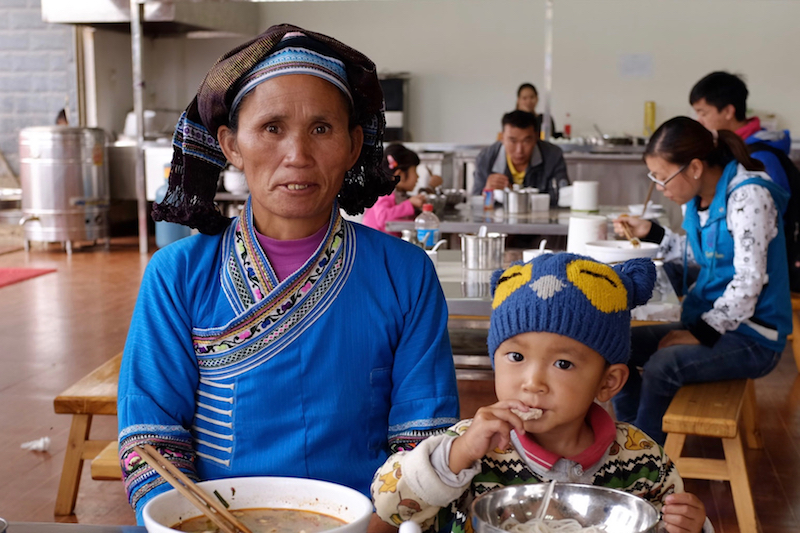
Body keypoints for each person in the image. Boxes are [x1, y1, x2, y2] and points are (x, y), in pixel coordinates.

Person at [118, 24, 460, 524]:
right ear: (231, 145)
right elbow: (151, 440)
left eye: (321, 128)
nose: (297, 155)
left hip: (364, 523)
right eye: (272, 127)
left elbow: (422, 441)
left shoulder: (405, 275)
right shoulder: (177, 276)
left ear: (352, 144)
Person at [372, 253, 711, 533]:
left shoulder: (642, 461)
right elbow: (389, 508)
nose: (532, 382)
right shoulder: (471, 449)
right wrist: (455, 456)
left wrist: (692, 527)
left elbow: (666, 522)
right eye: (516, 357)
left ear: (608, 383)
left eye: (563, 364)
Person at [611, 117, 791, 445]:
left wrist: (697, 334)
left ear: (694, 167)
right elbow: (699, 255)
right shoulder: (698, 200)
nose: (660, 187)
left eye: (663, 178)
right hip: (713, 322)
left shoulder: (749, 196)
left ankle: (646, 462)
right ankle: (632, 441)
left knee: (661, 366)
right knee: (617, 347)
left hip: (754, 336)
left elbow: (748, 281)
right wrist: (650, 232)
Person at [690, 71, 791, 195]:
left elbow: (777, 207)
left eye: (703, 113)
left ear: (728, 111)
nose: (699, 120)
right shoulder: (725, 148)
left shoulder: (761, 156)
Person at [473, 110, 569, 207]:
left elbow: (563, 198)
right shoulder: (486, 159)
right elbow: (475, 206)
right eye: (512, 141)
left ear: (536, 137)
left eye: (526, 141)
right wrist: (487, 192)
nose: (519, 150)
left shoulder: (552, 156)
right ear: (502, 138)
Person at [362, 144, 426, 234]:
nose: (417, 176)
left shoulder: (398, 194)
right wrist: (410, 204)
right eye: (414, 171)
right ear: (399, 175)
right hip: (378, 245)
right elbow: (383, 218)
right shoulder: (385, 193)